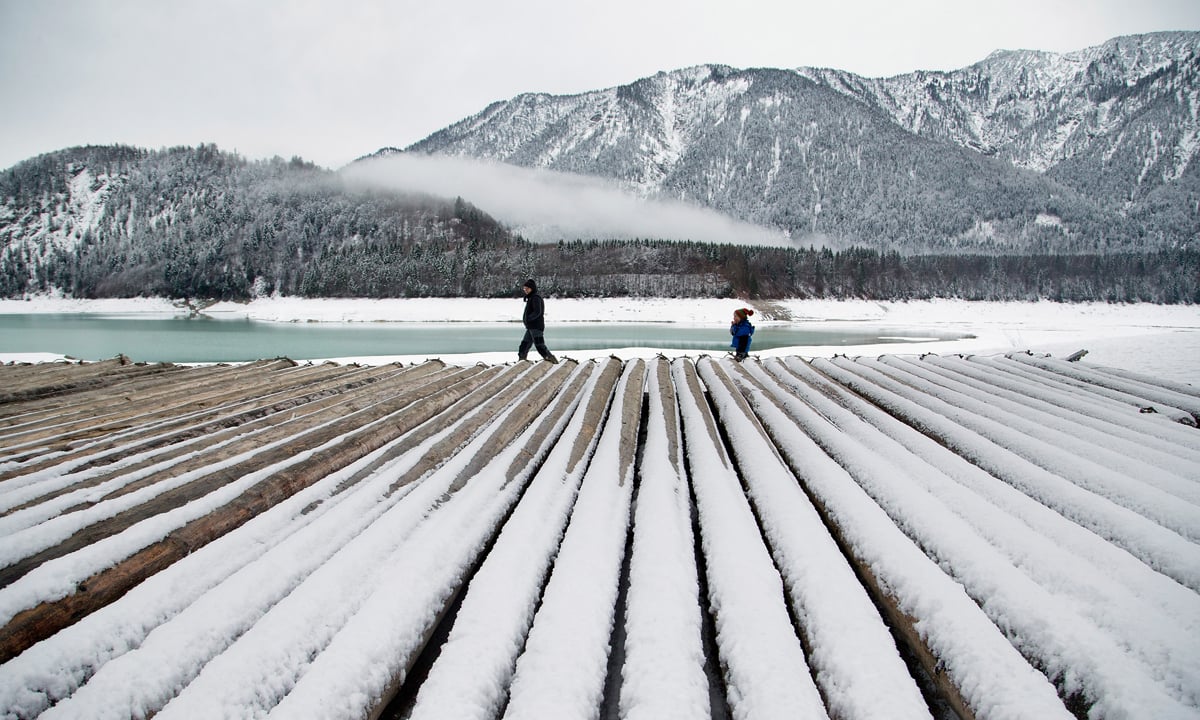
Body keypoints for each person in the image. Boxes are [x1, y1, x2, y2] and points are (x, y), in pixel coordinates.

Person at [518, 279, 558, 363]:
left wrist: (528, 319)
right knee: (524, 345)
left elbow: (537, 312)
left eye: (527, 288)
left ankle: (551, 359)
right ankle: (521, 360)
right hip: (530, 327)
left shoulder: (536, 298)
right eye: (524, 288)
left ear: (532, 288)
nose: (525, 290)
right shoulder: (530, 298)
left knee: (539, 345)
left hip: (536, 327)